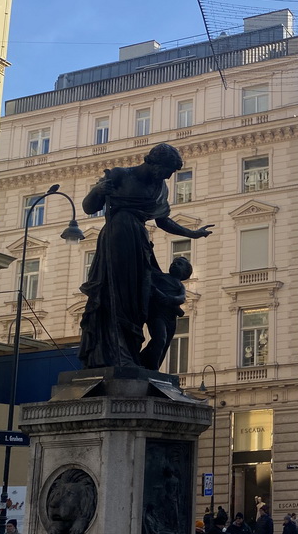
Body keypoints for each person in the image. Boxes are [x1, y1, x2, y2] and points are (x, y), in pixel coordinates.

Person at [78, 143, 213, 369]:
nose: (169, 176)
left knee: (136, 297)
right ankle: (112, 353)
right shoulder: (121, 174)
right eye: (168, 170)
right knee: (117, 294)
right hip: (117, 236)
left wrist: (192, 233)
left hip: (139, 240)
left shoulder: (160, 188)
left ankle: (128, 352)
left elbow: (163, 220)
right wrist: (97, 191)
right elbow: (89, 207)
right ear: (154, 163)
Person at [140, 256, 192, 370]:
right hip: (157, 314)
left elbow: (182, 298)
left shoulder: (180, 285)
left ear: (185, 273)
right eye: (174, 262)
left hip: (170, 318)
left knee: (164, 343)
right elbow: (151, 265)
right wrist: (149, 250)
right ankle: (152, 366)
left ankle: (143, 360)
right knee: (160, 339)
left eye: (179, 264)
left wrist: (170, 299)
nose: (174, 264)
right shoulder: (160, 276)